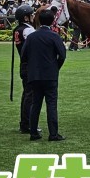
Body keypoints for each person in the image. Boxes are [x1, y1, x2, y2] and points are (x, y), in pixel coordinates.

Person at [22, 9, 68, 142]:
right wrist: (56, 67)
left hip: (35, 75)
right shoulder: (54, 36)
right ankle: (53, 134)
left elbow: (24, 56)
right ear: (52, 21)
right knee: (51, 104)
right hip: (50, 74)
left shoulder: (31, 37)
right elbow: (62, 55)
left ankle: (33, 132)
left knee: (35, 104)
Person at [13, 5, 37, 134]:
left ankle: (24, 123)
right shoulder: (28, 30)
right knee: (30, 96)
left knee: (27, 95)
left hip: (24, 64)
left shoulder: (18, 29)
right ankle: (27, 124)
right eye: (31, 15)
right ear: (26, 18)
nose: (33, 16)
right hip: (31, 65)